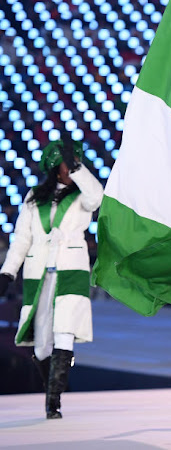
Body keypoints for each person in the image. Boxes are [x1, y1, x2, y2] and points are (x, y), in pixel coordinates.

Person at [0, 140, 104, 418]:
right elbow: (22, 237)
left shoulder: (83, 194)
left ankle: (53, 402)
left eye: (73, 164)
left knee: (64, 332)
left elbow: (97, 196)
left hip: (71, 270)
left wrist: (80, 168)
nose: (69, 169)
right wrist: (8, 271)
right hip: (39, 272)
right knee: (42, 346)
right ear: (53, 167)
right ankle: (56, 383)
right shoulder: (35, 197)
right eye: (65, 165)